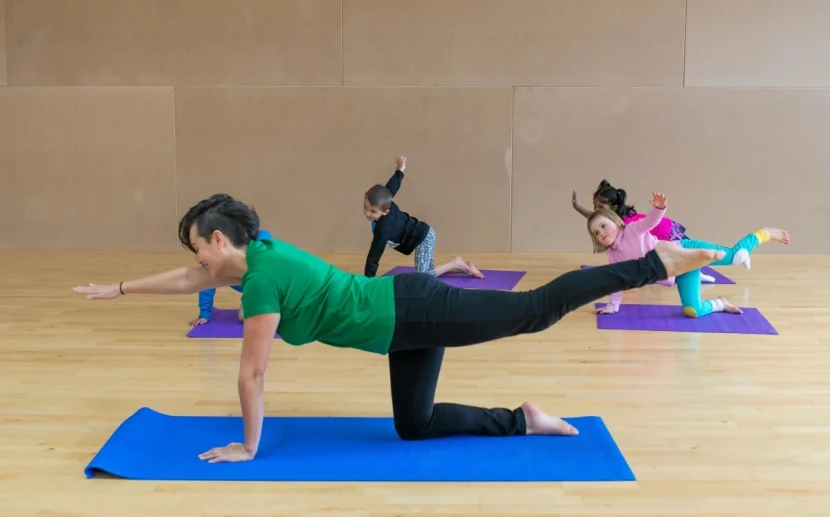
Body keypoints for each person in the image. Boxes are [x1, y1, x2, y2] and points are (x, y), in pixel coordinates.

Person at [74, 193, 724, 464]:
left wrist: (249, 448)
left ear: (220, 240)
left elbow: (252, 372)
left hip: (411, 309)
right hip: (400, 323)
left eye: (199, 248)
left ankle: (649, 263)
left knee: (534, 309)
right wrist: (121, 288)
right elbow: (193, 280)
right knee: (413, 425)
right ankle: (524, 419)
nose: (197, 263)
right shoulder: (257, 252)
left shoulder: (262, 281)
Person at [586, 190, 790, 317]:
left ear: (616, 222)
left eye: (604, 226)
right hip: (681, 272)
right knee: (692, 311)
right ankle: (721, 303)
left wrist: (660, 207)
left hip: (684, 250)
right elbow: (618, 282)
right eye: (596, 233)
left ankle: (764, 234)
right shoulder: (613, 255)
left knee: (734, 257)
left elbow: (651, 221)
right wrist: (612, 307)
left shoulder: (633, 230)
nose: (602, 233)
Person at [363, 155, 484, 279]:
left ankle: (455, 263)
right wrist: (400, 169)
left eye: (373, 211)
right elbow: (393, 185)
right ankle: (463, 267)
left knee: (424, 276)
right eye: (365, 208)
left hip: (423, 238)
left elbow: (374, 255)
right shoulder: (384, 200)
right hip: (420, 234)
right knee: (428, 272)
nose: (367, 213)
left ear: (385, 211)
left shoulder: (383, 229)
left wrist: (367, 281)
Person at [573, 179, 716, 283]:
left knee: (693, 256)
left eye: (600, 207)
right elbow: (595, 219)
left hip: (667, 232)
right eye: (594, 206)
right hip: (661, 233)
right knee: (689, 257)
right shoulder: (613, 220)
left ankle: (698, 273)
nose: (595, 211)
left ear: (614, 207)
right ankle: (695, 271)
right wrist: (578, 207)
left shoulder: (622, 225)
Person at [190, 228, 273, 327]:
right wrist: (204, 314)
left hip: (272, 284)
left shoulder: (250, 246)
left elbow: (264, 235)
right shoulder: (211, 261)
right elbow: (206, 285)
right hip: (251, 287)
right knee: (243, 317)